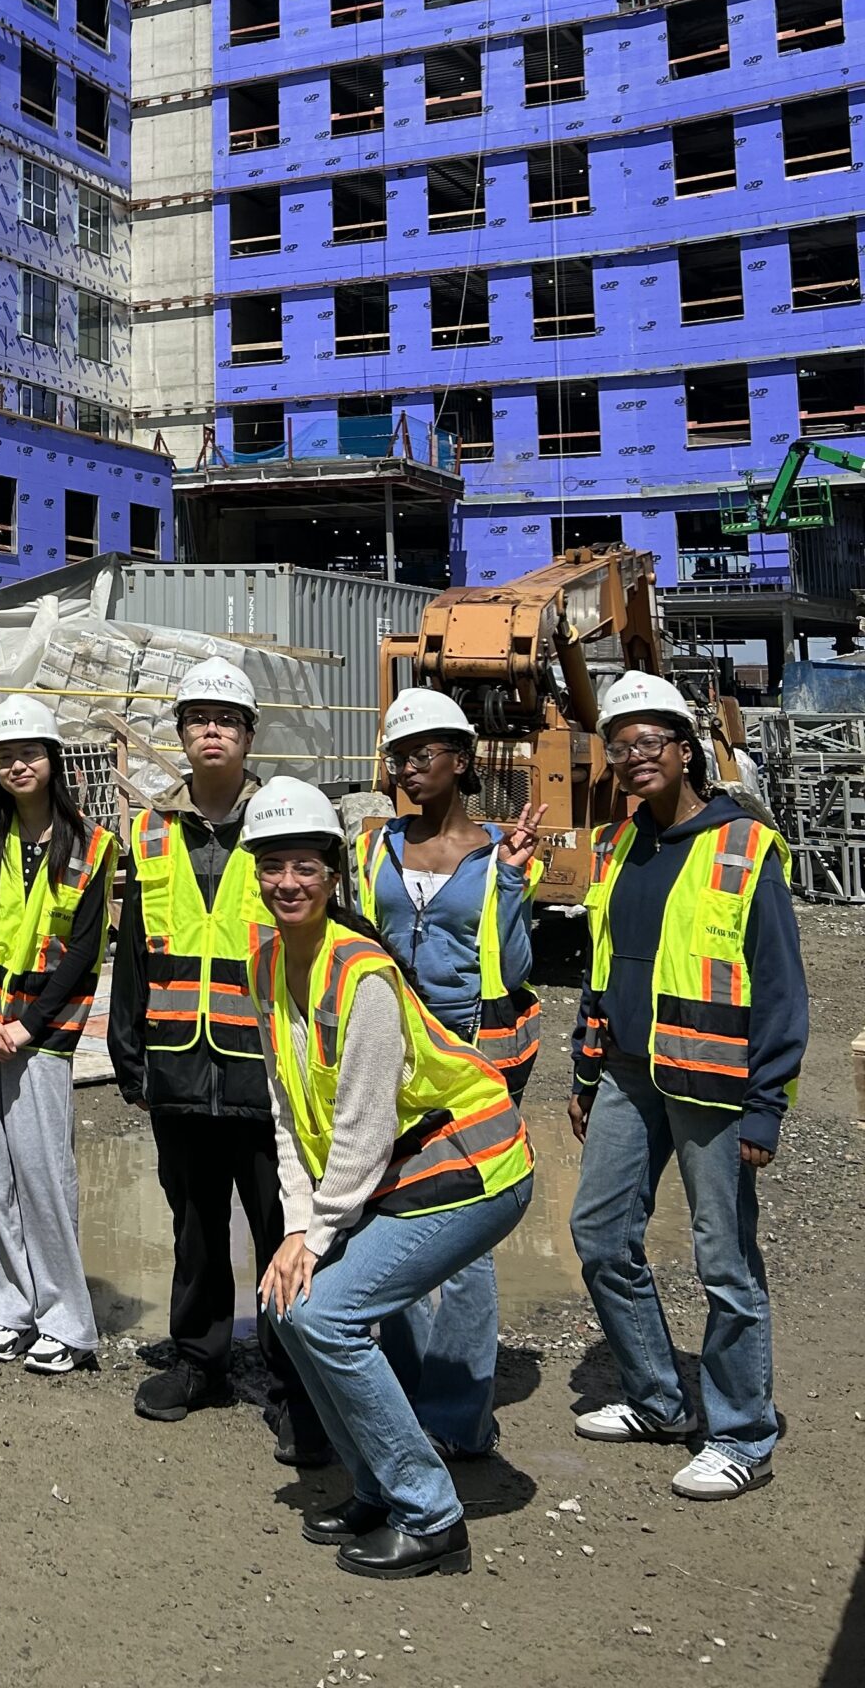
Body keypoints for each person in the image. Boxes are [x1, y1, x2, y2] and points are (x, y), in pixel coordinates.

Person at [246, 776, 535, 1580]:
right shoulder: (268, 962)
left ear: (333, 875)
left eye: (305, 866)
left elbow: (364, 1128)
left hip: (476, 1164)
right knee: (294, 1308)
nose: (288, 883)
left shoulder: (360, 972)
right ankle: (375, 1482)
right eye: (273, 867)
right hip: (402, 1174)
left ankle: (429, 1513)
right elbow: (286, 1109)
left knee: (327, 1316)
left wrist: (316, 1232)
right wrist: (297, 1227)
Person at [568, 669, 806, 1502]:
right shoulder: (620, 844)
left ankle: (743, 1433)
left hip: (714, 1085)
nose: (633, 757)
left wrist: (766, 1105)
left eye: (649, 742)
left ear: (685, 749)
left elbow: (780, 987)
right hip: (629, 1075)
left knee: (724, 1261)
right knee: (599, 1235)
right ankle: (661, 1400)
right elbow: (605, 967)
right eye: (619, 745)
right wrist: (586, 1065)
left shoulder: (743, 845)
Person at [109, 657, 328, 1463]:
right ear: (181, 735)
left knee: (282, 1227)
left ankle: (293, 1378)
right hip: (178, 1066)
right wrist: (129, 1055)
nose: (212, 732)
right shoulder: (153, 831)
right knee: (195, 1224)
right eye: (198, 719)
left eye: (226, 720)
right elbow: (134, 952)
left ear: (247, 736)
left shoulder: (284, 828)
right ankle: (199, 1360)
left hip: (265, 1076)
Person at [351, 687, 543, 1461]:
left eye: (420, 755)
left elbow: (516, 966)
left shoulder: (499, 851)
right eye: (397, 756)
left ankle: (458, 1415)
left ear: (459, 761)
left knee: (466, 1236)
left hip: (477, 1054)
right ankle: (401, 1388)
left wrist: (514, 887)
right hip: (397, 1053)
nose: (405, 769)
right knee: (385, 1216)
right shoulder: (373, 849)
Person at [0, 694, 114, 1376]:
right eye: (7, 756)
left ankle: (66, 1320)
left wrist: (25, 1024)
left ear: (53, 761)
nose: (19, 765)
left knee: (45, 1175)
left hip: (41, 1032)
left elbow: (83, 949)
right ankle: (3, 1309)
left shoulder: (92, 845)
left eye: (30, 754)